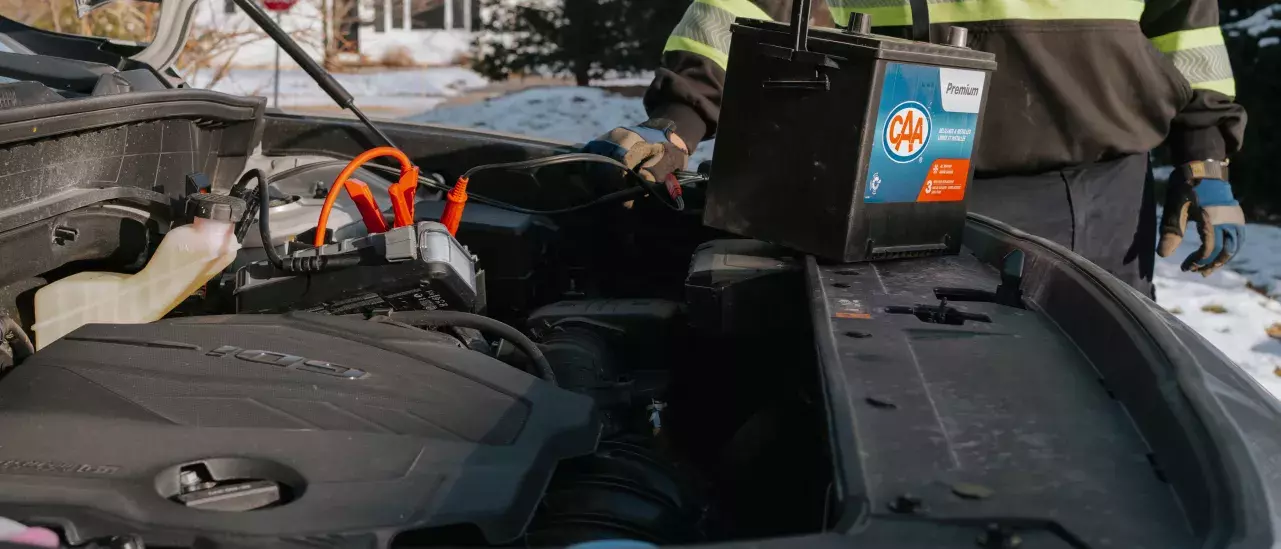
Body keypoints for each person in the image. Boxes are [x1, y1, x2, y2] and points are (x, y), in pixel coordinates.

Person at [585, 0, 1248, 296]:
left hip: (1096, 196)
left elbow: (1186, 31)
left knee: (1097, 420)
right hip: (889, 180)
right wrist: (677, 118)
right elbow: (744, 4)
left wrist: (1206, 156)